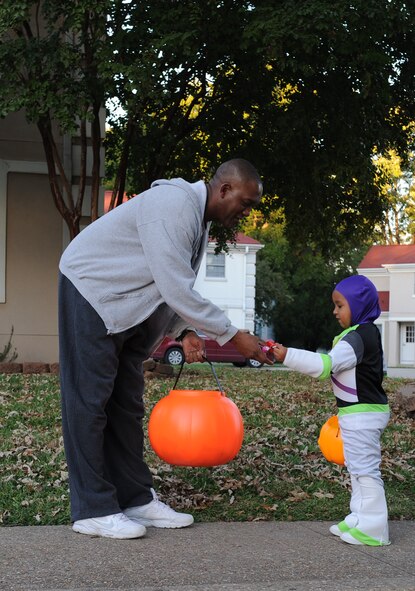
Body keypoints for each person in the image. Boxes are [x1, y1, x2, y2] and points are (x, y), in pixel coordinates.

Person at [58, 158, 272, 539]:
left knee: (126, 403)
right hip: (91, 290)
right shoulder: (174, 206)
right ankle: (92, 507)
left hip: (126, 304)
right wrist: (233, 334)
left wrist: (187, 329)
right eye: (246, 202)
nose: (246, 213)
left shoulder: (196, 217)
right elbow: (174, 285)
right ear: (223, 189)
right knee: (89, 401)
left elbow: (169, 282)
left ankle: (135, 498)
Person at [271, 275, 390, 546]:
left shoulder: (359, 337)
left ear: (358, 305)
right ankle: (360, 517)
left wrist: (286, 355)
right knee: (356, 468)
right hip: (356, 413)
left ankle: (374, 530)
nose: (334, 311)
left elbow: (325, 366)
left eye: (339, 305)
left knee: (365, 471)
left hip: (363, 414)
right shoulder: (358, 334)